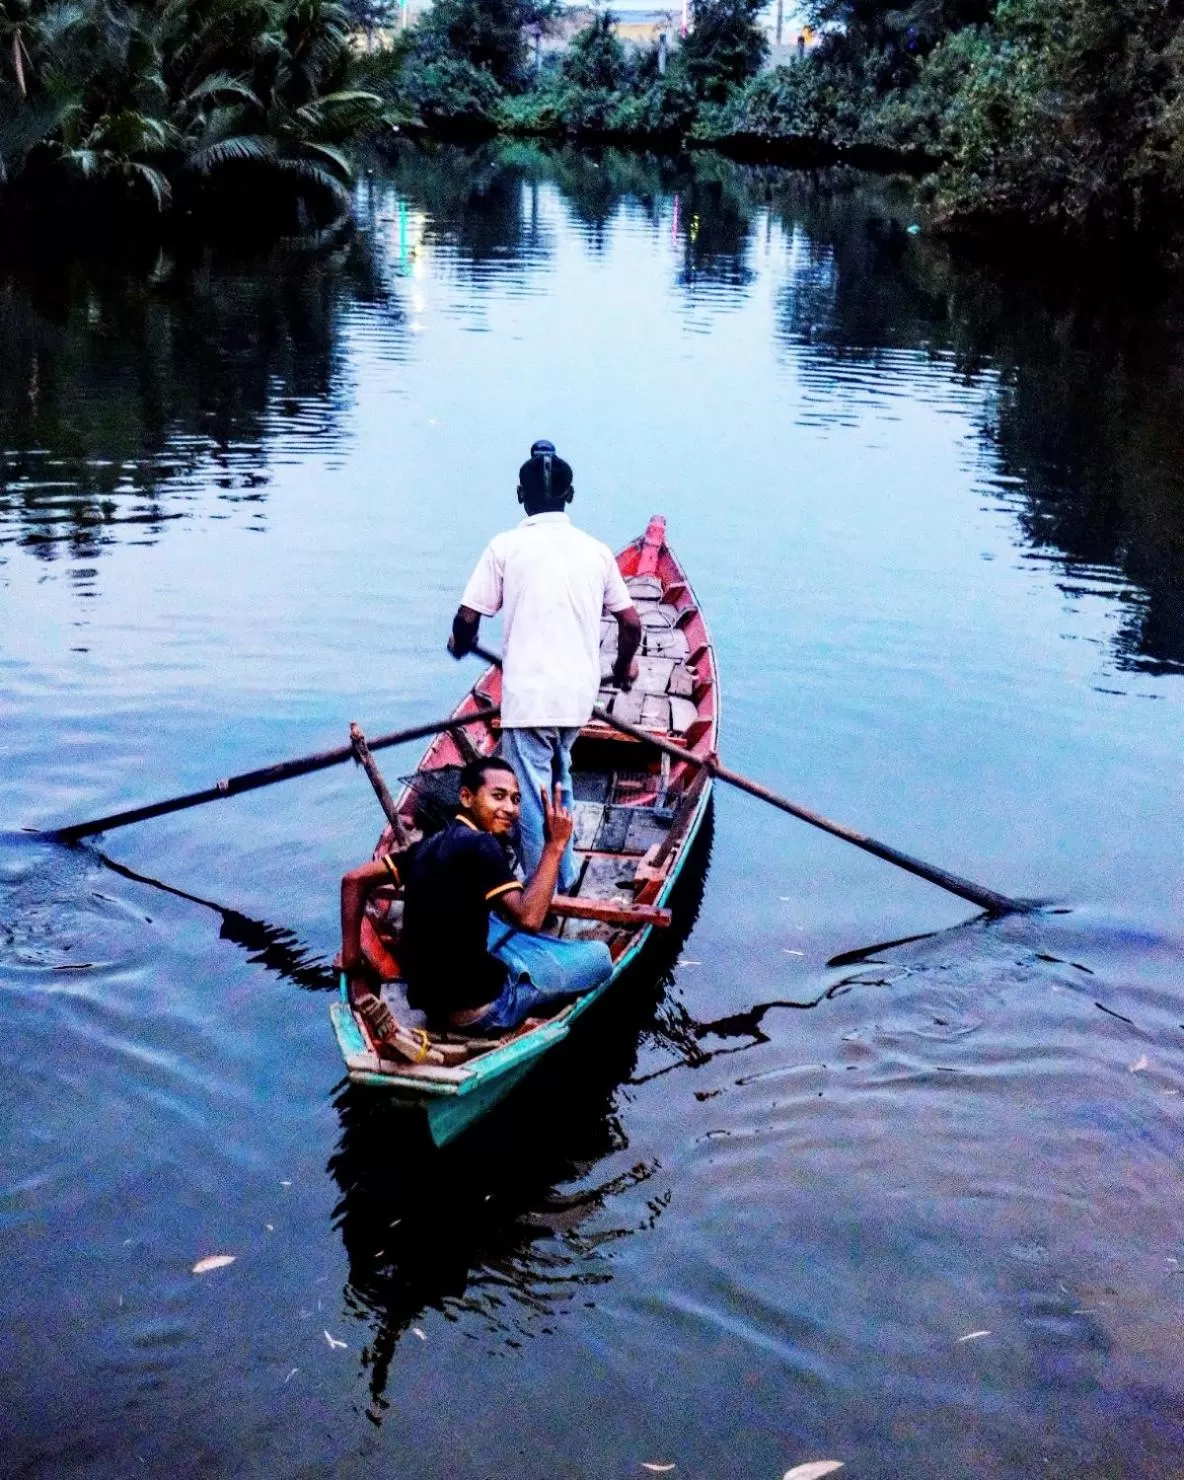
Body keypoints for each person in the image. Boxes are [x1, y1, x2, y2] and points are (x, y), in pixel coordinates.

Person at [448, 440, 642, 891]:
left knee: (532, 799)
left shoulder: (505, 547)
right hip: (577, 700)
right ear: (569, 497)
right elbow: (631, 623)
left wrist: (462, 642)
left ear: (521, 495)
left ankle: (544, 892)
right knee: (559, 781)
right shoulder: (596, 551)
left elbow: (467, 618)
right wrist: (623, 665)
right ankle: (565, 874)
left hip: (531, 699)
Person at [340, 756, 612, 1042]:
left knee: (490, 917)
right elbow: (530, 919)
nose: (510, 809)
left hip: (430, 1005)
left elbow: (353, 881)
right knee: (600, 957)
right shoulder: (483, 844)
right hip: (483, 1013)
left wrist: (352, 961)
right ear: (466, 797)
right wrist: (554, 845)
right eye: (498, 796)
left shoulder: (428, 845)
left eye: (516, 800)